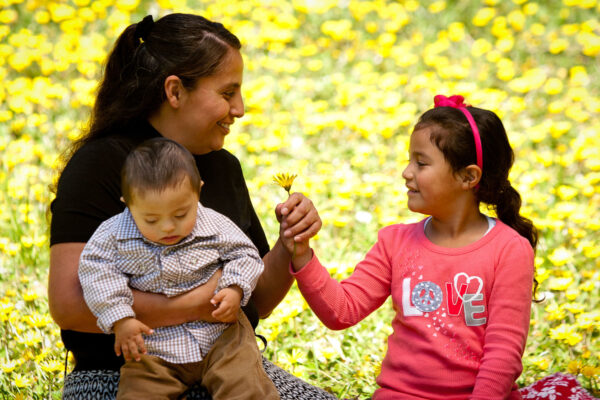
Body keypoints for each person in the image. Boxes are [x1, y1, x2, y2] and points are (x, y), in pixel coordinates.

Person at [48, 13, 334, 400]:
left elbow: (258, 299)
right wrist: (198, 304)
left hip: (226, 365)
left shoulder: (221, 166)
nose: (240, 109)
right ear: (175, 91)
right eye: (227, 93)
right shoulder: (100, 164)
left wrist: (289, 245)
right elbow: (69, 305)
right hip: (124, 374)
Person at [283, 94, 538, 399]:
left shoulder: (509, 250)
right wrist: (302, 253)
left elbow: (504, 353)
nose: (406, 172)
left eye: (421, 162)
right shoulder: (395, 242)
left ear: (468, 177)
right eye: (409, 160)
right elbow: (342, 311)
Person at [78, 138, 279, 399]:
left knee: (246, 386)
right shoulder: (113, 236)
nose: (168, 227)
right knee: (139, 392)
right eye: (151, 219)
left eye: (181, 214)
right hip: (154, 348)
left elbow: (246, 254)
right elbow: (96, 272)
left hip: (222, 338)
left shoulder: (215, 224)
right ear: (127, 202)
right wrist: (121, 318)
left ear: (198, 191)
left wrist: (234, 288)